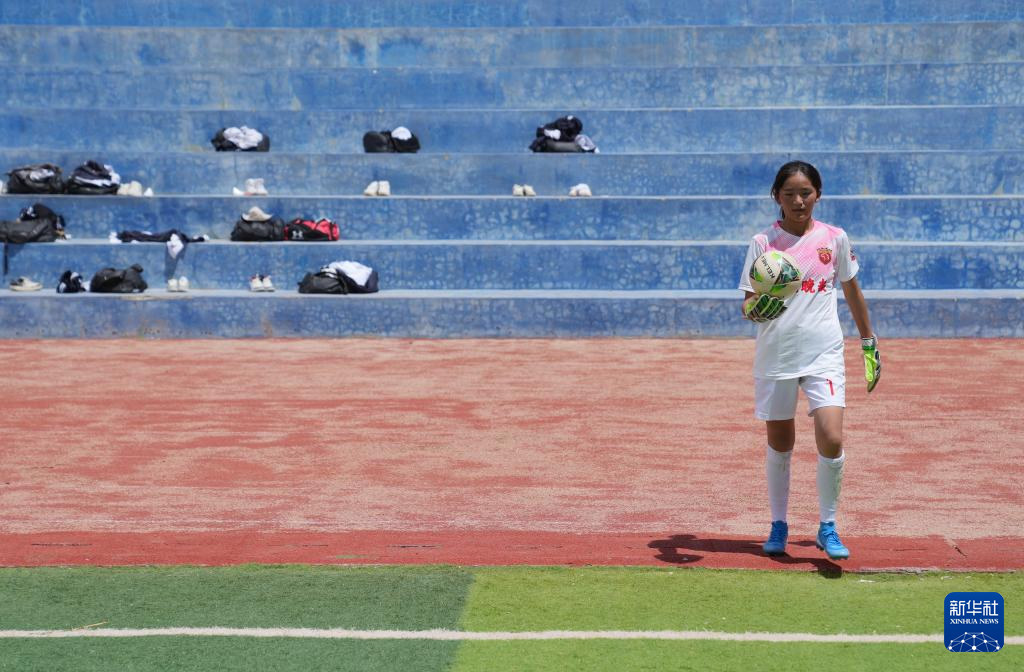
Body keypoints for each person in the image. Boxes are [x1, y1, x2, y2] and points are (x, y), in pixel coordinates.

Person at [738, 160, 881, 560]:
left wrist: (868, 342)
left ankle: (828, 525)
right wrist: (759, 308)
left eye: (806, 193)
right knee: (780, 442)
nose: (799, 201)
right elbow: (747, 305)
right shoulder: (763, 243)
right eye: (790, 194)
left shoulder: (834, 238)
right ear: (777, 197)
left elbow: (851, 290)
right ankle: (779, 524)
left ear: (818, 194)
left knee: (832, 437)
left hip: (824, 353)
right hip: (778, 355)